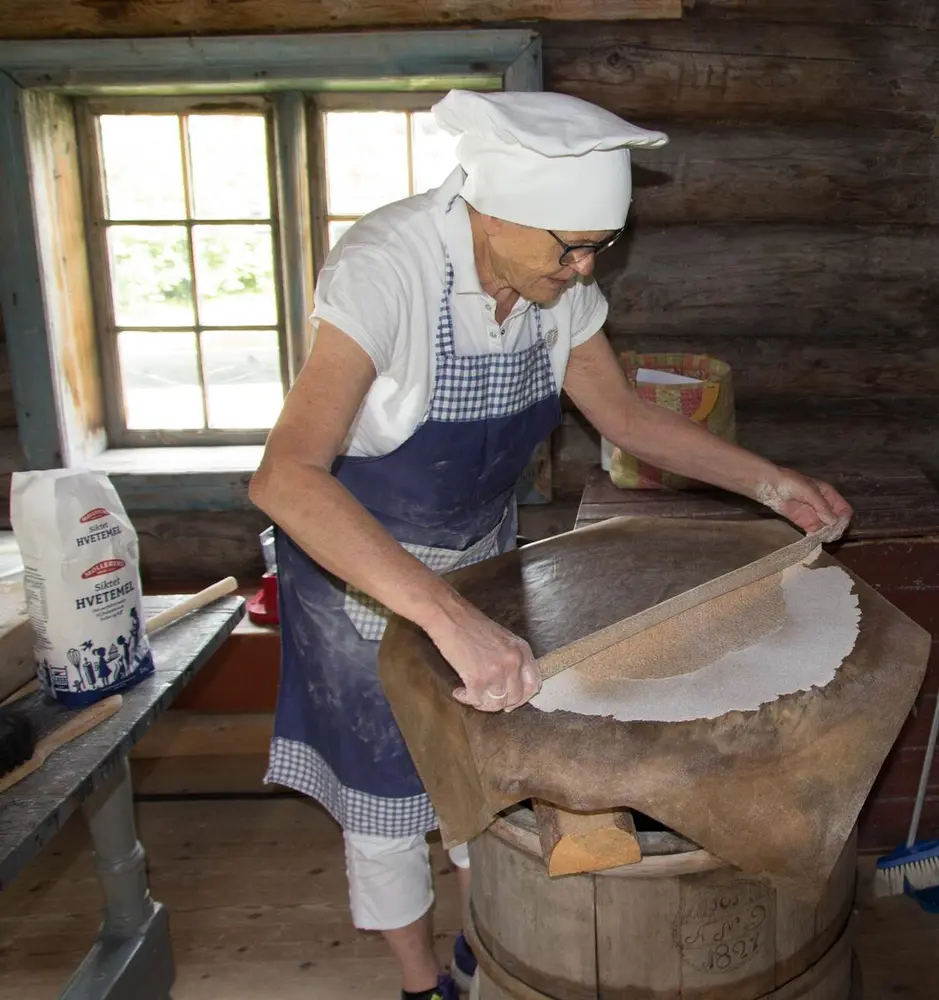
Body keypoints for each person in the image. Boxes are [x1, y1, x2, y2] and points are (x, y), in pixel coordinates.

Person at [249, 89, 852, 1000]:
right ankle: (421, 984)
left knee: (480, 778)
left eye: (594, 250)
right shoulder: (387, 269)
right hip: (365, 576)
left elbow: (621, 417)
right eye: (564, 249)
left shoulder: (551, 282)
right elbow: (286, 477)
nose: (579, 270)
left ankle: (482, 942)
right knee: (384, 797)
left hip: (482, 560)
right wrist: (446, 616)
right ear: (491, 210)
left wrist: (765, 479)